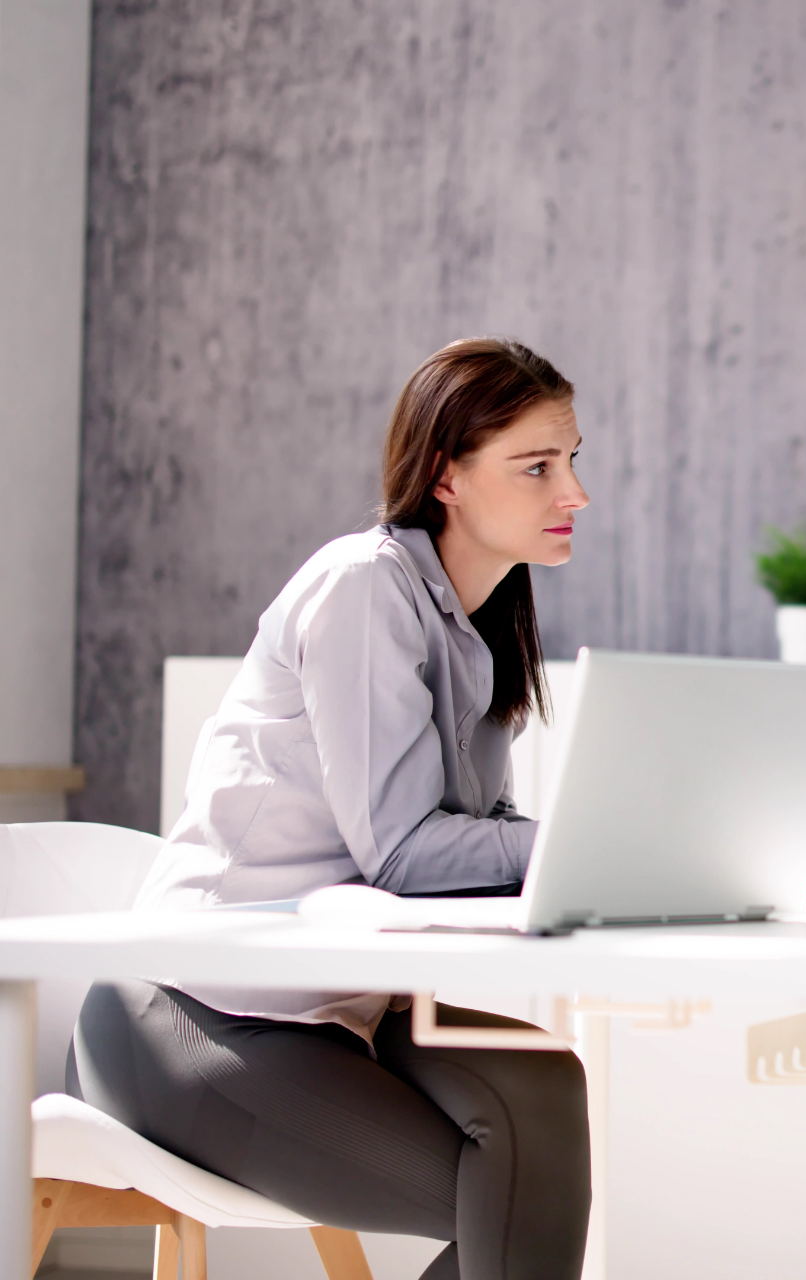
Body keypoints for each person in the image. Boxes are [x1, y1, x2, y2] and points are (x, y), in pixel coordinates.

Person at [67, 338, 594, 1280]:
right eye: (538, 466)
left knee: (547, 1087)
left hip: (336, 1004)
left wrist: (601, 861)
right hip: (198, 1008)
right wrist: (582, 845)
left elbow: (472, 858)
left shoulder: (473, 636)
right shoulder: (362, 588)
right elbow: (403, 853)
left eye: (573, 462)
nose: (575, 495)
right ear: (448, 475)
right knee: (520, 1196)